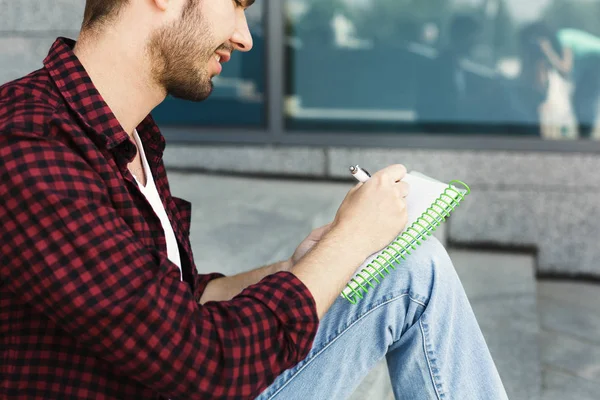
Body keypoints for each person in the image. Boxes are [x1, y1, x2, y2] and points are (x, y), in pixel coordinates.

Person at [0, 1, 508, 399]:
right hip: (191, 381)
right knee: (406, 273)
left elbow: (177, 302)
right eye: (237, 3)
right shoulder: (28, 144)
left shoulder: (130, 138)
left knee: (408, 266)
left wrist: (299, 265)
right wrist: (349, 242)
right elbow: (204, 366)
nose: (244, 37)